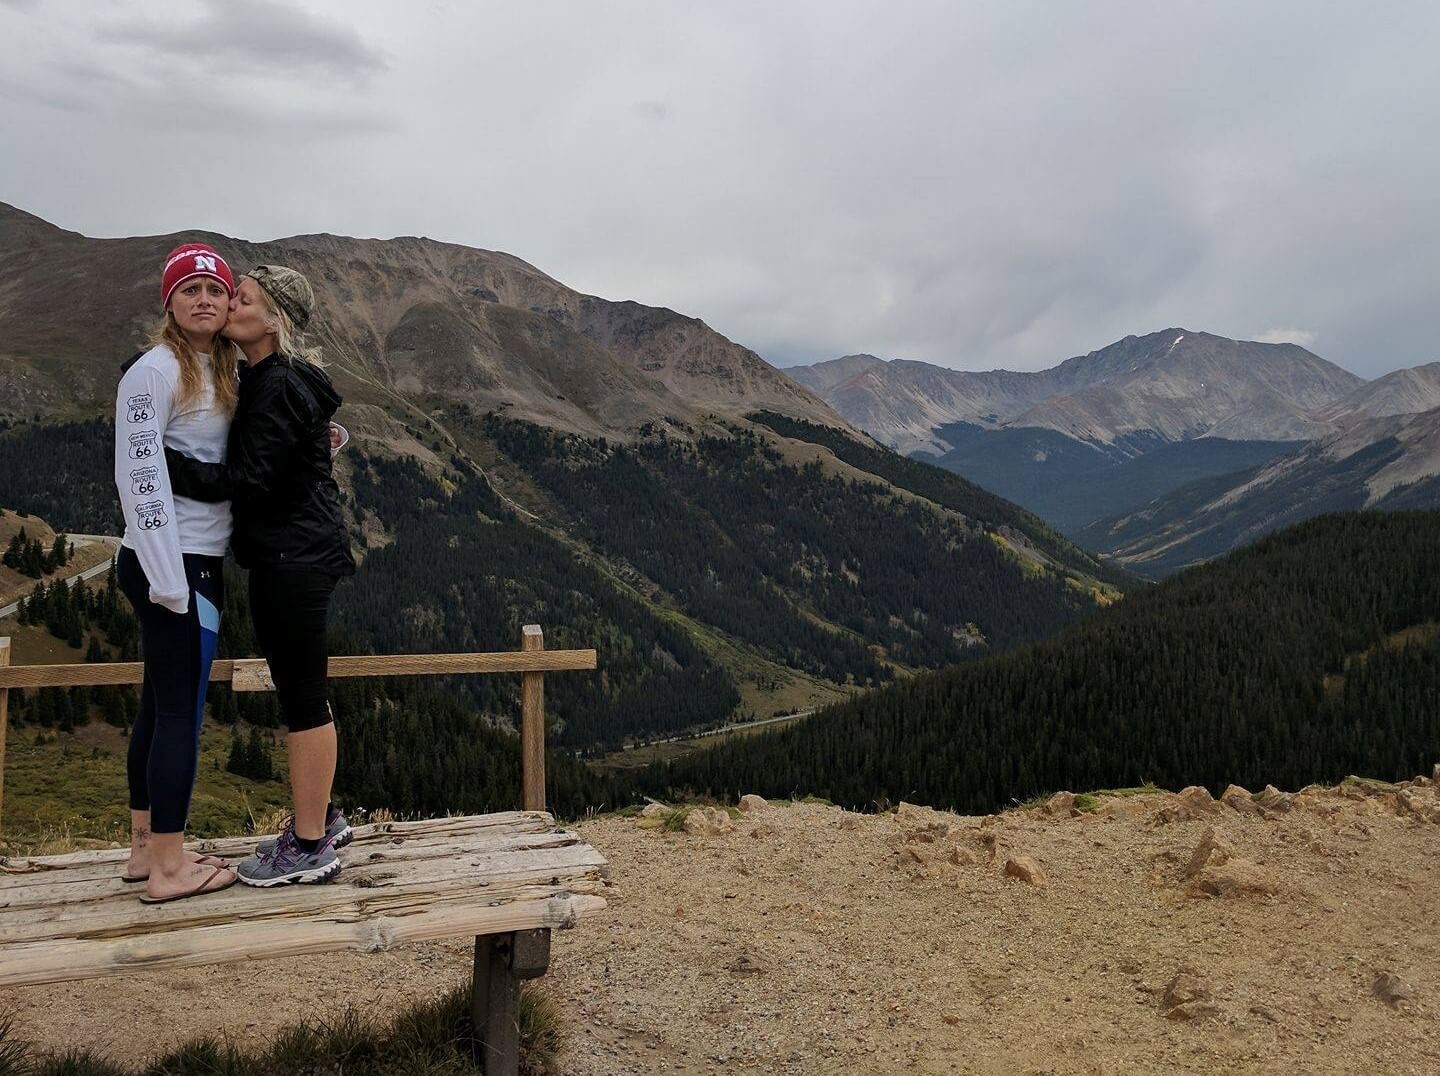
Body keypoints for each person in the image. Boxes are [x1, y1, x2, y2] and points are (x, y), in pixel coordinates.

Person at [166, 264, 356, 887]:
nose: (227, 306)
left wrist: (164, 463)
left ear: (272, 318)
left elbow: (247, 480)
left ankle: (307, 846)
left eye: (240, 298)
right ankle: (319, 819)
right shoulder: (272, 378)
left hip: (292, 557)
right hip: (299, 551)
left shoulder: (275, 386)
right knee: (307, 688)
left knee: (302, 694)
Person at [114, 242, 241, 903]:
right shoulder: (156, 371)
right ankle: (170, 867)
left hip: (188, 561)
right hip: (176, 565)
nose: (203, 299)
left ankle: (144, 849)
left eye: (214, 291)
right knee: (179, 716)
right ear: (169, 302)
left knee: (157, 706)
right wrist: (168, 579)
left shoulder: (215, 370)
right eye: (189, 289)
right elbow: (139, 476)